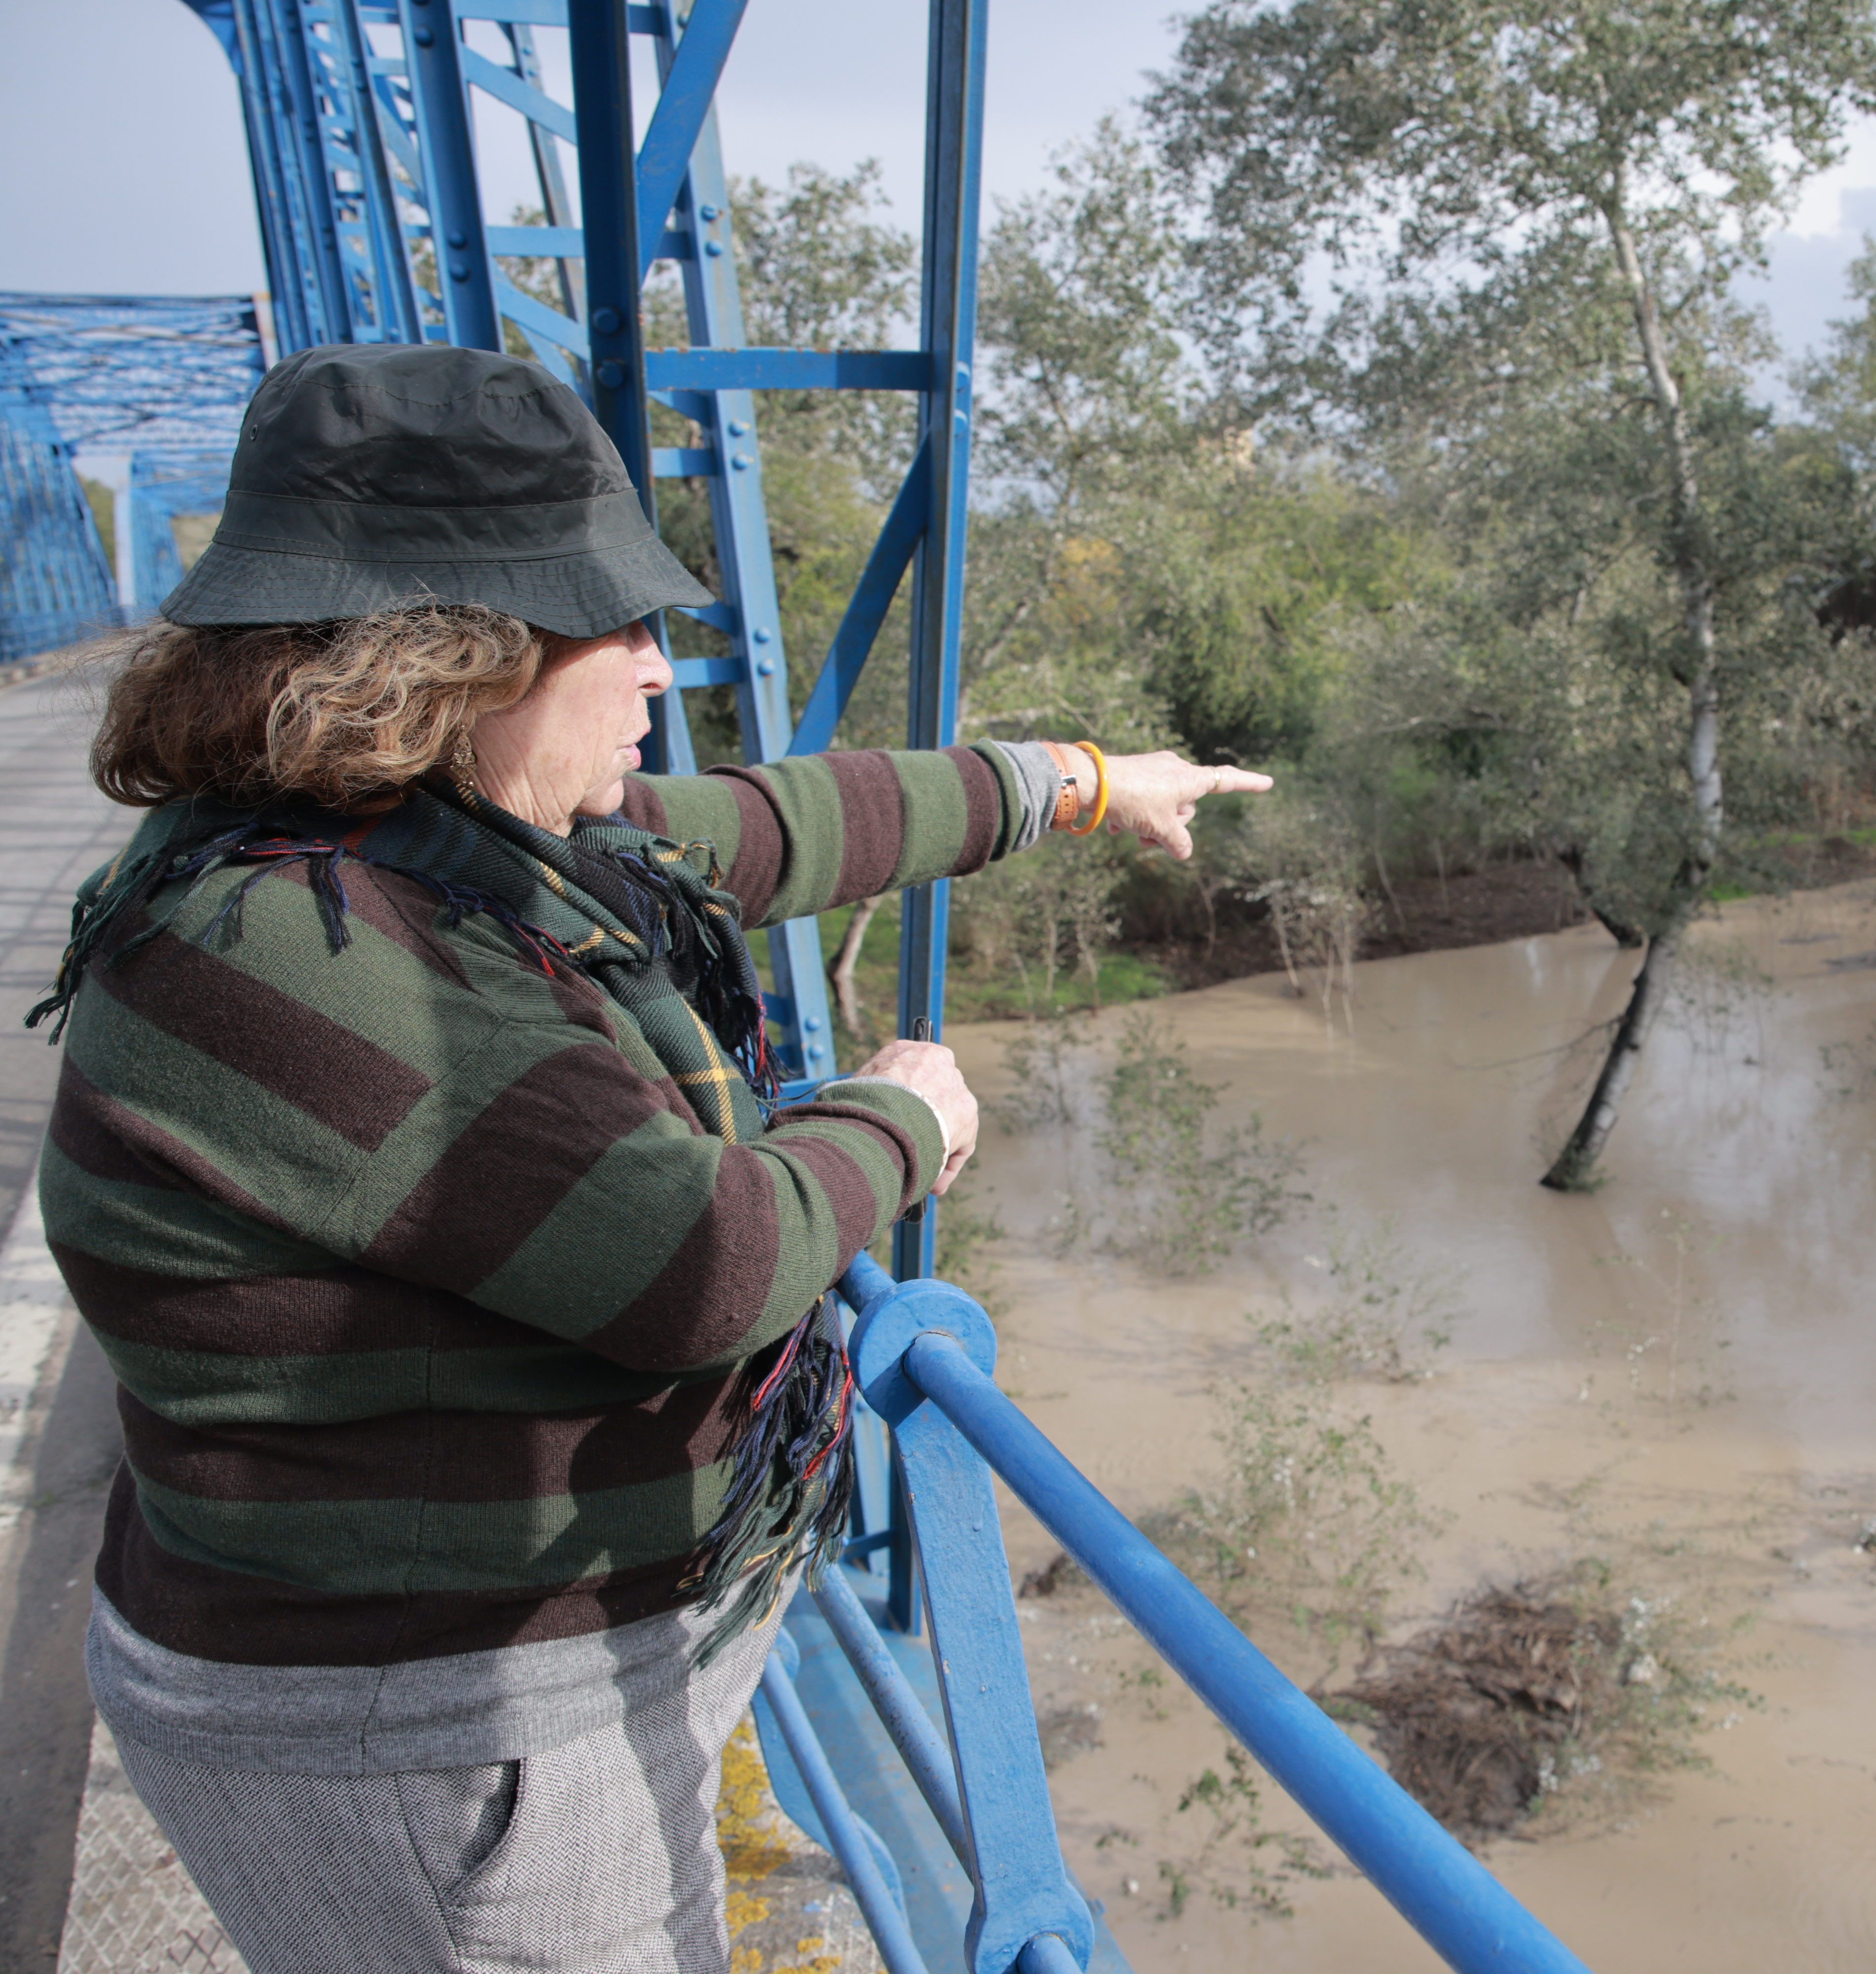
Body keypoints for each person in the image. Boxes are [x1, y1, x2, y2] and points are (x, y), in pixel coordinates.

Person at [29, 343, 1269, 1973]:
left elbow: (779, 825)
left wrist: (1086, 784)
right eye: (614, 625)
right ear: (445, 663)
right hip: (427, 1733)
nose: (656, 672)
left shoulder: (432, 849)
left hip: (490, 1681)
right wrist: (905, 1114)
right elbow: (710, 1262)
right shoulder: (301, 949)